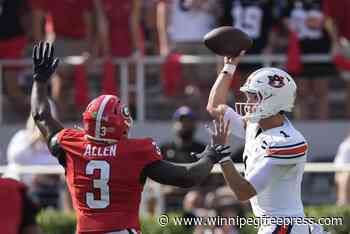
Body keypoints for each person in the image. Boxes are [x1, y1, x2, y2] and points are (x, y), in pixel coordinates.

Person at [30, 41, 231, 234]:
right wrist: (210, 156)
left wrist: (39, 80)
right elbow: (187, 177)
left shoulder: (70, 144)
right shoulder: (135, 152)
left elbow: (41, 115)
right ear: (122, 125)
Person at [206, 52, 328, 233]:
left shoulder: (288, 141)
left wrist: (222, 154)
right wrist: (229, 67)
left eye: (254, 97)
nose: (247, 103)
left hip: (285, 227)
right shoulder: (255, 126)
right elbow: (215, 107)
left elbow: (243, 192)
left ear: (274, 100)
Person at [5, 113, 61, 209]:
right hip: (24, 184)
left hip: (49, 186)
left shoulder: (54, 140)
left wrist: (42, 173)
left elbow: (58, 162)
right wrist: (33, 140)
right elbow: (14, 157)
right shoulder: (22, 136)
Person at [334, 135, 350, 205]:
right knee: (343, 181)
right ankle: (342, 203)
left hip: (343, 169)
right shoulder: (346, 144)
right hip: (342, 169)